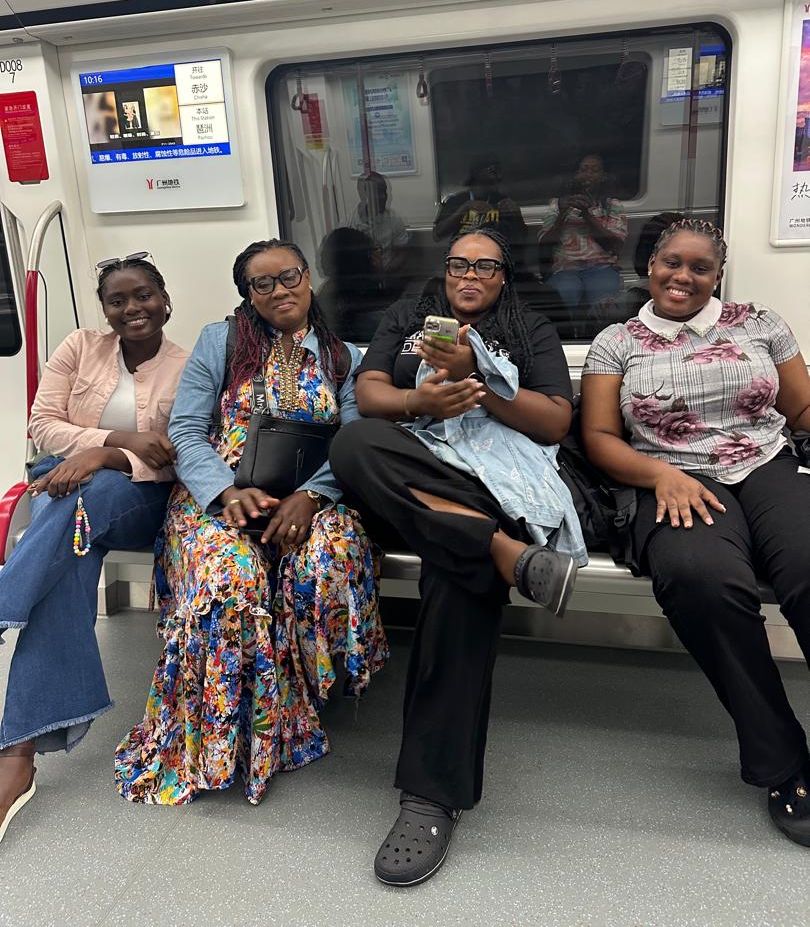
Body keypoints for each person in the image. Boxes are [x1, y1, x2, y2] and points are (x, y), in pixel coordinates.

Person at [330, 228, 586, 886]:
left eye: (485, 267)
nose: (469, 276)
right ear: (444, 271)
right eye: (458, 264)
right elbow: (369, 395)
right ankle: (507, 554)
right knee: (354, 444)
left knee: (455, 575)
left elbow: (556, 421)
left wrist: (480, 382)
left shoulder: (530, 328)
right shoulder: (407, 318)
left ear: (504, 277)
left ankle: (429, 797)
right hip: (418, 469)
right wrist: (420, 400)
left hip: (497, 477)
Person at [115, 239, 388, 807]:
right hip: (219, 496)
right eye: (262, 283)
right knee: (230, 577)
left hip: (312, 498)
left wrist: (312, 496)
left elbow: (354, 441)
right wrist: (225, 493)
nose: (279, 290)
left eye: (289, 276)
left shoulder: (343, 357)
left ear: (308, 279)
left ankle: (303, 703)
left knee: (326, 555)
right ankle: (226, 740)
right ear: (248, 295)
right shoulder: (222, 341)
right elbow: (187, 430)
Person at [580, 217, 810, 848]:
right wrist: (661, 475)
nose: (683, 276)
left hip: (765, 461)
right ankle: (782, 760)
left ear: (718, 275)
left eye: (700, 267)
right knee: (702, 581)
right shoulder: (616, 342)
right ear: (650, 266)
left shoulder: (758, 323)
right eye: (671, 263)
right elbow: (598, 438)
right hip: (669, 475)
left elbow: (800, 408)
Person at [0, 254, 187, 846]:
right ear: (104, 309)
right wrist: (116, 438)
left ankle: (4, 602)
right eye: (117, 300)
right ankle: (16, 755)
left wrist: (108, 457)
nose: (132, 308)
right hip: (66, 489)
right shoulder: (79, 347)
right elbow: (42, 424)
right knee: (70, 552)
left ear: (165, 300)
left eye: (143, 295)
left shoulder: (188, 366)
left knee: (91, 492)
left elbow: (178, 454)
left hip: (139, 500)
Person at [537, 154, 628, 312]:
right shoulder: (558, 205)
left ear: (603, 177)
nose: (588, 175)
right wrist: (562, 214)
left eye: (594, 170)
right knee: (562, 302)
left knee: (604, 308)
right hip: (565, 268)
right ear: (576, 175)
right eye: (583, 170)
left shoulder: (611, 206)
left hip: (601, 267)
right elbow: (544, 244)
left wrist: (586, 215)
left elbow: (615, 245)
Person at [433, 160, 529, 255]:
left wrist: (517, 214)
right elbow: (438, 234)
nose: (494, 178)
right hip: (462, 253)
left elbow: (522, 238)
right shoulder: (456, 201)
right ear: (475, 178)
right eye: (489, 172)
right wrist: (465, 208)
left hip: (493, 254)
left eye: (494, 180)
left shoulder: (501, 201)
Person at [316, 226, 385, 341]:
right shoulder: (373, 319)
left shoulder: (327, 294)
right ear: (367, 260)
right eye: (376, 250)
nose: (380, 257)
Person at [347, 170, 409, 273]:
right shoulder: (349, 224)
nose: (384, 197)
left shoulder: (394, 219)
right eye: (378, 193)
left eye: (384, 192)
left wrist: (386, 271)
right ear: (364, 196)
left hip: (388, 273)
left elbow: (401, 253)